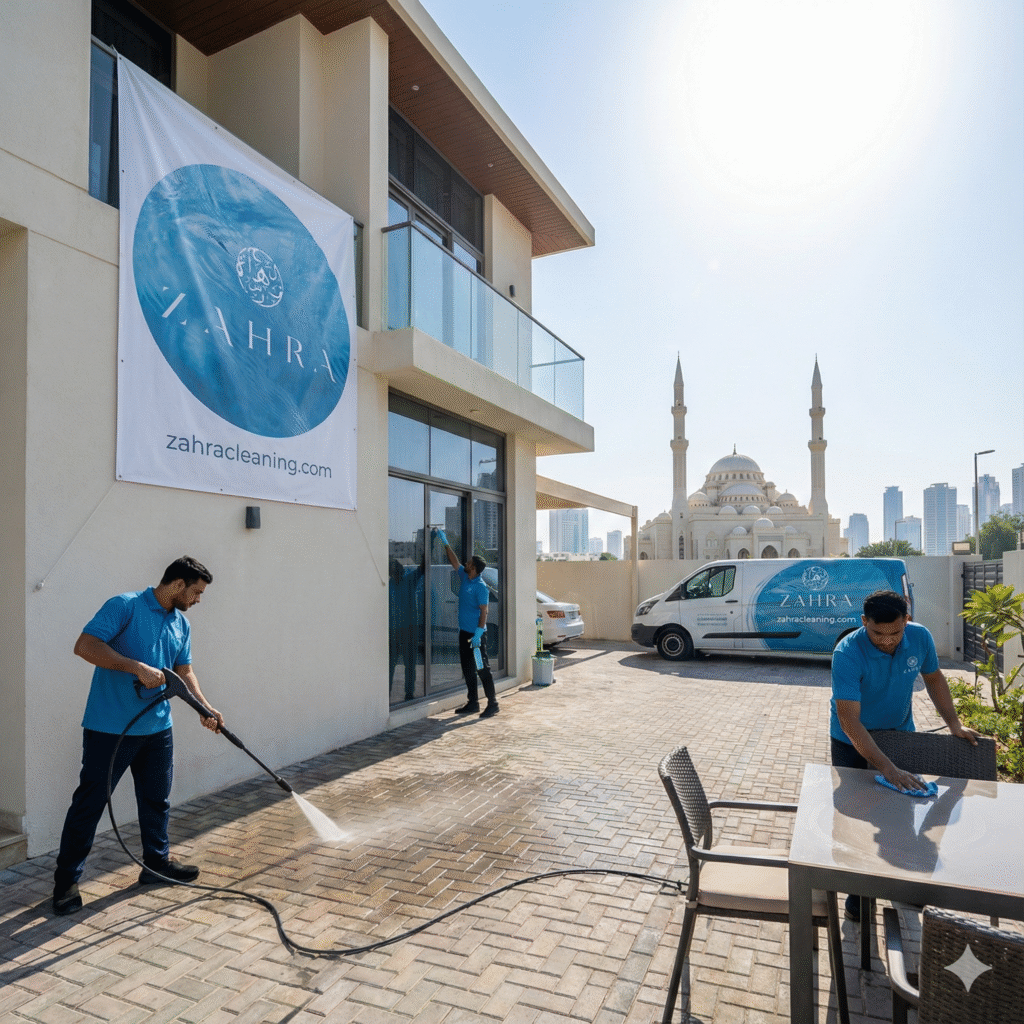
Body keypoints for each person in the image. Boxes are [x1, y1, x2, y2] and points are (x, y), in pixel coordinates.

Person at [52, 556, 224, 916]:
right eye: (196, 592)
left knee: (156, 800)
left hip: (158, 729)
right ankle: (66, 881)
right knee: (90, 804)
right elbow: (85, 646)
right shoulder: (125, 606)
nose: (198, 600)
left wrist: (204, 707)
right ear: (178, 584)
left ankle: (156, 865)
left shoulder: (180, 623)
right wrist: (135, 667)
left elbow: (184, 671)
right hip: (110, 729)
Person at [830, 588, 979, 919]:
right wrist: (888, 768)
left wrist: (954, 724)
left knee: (902, 812)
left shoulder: (920, 637)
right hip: (852, 741)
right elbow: (849, 721)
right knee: (858, 819)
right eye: (877, 633)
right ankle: (858, 897)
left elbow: (934, 679)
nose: (887, 641)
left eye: (895, 633)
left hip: (899, 734)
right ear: (864, 621)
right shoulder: (847, 653)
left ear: (907, 620)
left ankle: (907, 886)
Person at [434, 529, 499, 719]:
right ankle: (473, 703)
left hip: (476, 638)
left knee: (481, 668)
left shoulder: (480, 587)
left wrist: (478, 633)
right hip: (464, 634)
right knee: (468, 669)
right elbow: (454, 562)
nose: (466, 564)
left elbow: (484, 611)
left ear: (475, 568)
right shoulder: (465, 576)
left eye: (469, 563)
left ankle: (493, 704)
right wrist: (445, 542)